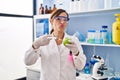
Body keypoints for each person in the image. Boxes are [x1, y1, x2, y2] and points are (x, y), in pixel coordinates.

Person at [24, 9, 86, 80]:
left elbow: (80, 66)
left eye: (65, 19)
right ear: (51, 21)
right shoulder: (43, 41)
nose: (62, 22)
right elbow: (27, 62)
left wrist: (76, 53)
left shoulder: (74, 41)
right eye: (58, 19)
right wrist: (35, 45)